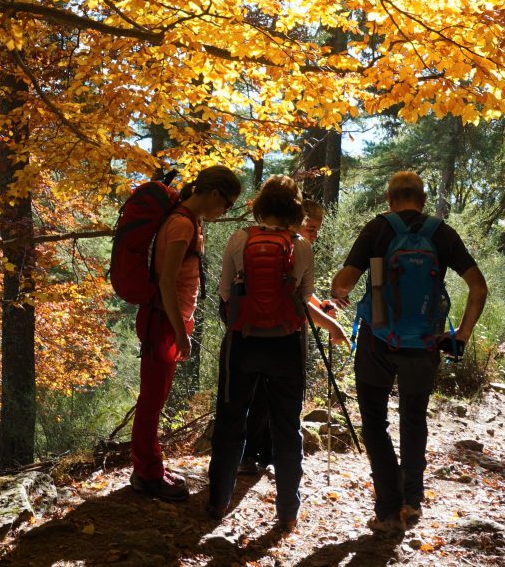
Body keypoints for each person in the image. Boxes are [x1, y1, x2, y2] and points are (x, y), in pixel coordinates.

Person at [331, 170, 487, 534]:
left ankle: (387, 508)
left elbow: (343, 283)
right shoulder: (441, 233)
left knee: (375, 421)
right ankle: (412, 501)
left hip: (378, 340)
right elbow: (478, 288)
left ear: (390, 200)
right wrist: (461, 335)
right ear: (423, 199)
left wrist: (342, 292)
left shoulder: (377, 229)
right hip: (426, 342)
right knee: (414, 419)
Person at [206, 176, 314, 529]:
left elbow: (224, 292)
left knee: (230, 424)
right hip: (285, 345)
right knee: (286, 428)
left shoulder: (240, 239)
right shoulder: (301, 246)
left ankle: (217, 504)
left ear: (261, 206)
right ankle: (287, 513)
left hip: (243, 342)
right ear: (295, 210)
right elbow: (305, 297)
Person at [131, 165, 242, 501]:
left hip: (169, 320)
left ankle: (150, 464)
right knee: (152, 399)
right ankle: (146, 474)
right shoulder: (181, 225)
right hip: (164, 321)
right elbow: (166, 281)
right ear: (211, 193)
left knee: (156, 396)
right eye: (226, 203)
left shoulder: (188, 221)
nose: (225, 211)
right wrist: (181, 333)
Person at [239, 197, 348, 476]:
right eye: (311, 227)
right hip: (279, 334)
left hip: (263, 331)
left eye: (318, 228)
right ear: (297, 222)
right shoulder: (293, 247)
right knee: (268, 397)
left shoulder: (293, 247)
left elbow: (305, 296)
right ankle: (256, 454)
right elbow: (297, 297)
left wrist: (322, 305)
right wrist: (330, 325)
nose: (315, 233)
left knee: (267, 396)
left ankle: (261, 454)